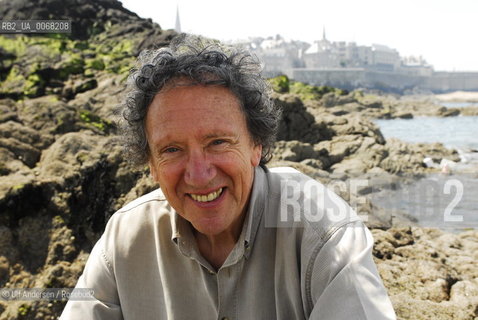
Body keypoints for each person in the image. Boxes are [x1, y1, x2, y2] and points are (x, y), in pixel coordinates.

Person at [60, 34, 396, 319]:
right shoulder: (126, 239)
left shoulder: (324, 231)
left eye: (218, 142)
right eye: (172, 150)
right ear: (150, 163)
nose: (199, 174)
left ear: (256, 145)